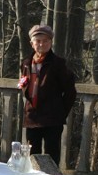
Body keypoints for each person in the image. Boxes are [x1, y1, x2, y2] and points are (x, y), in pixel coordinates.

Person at [18, 24, 77, 166]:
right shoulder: (26, 63)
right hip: (32, 117)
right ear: (31, 44)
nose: (41, 44)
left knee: (51, 156)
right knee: (32, 156)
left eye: (45, 41)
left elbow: (70, 92)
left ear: (50, 42)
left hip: (52, 118)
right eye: (38, 41)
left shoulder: (58, 64)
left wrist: (61, 112)